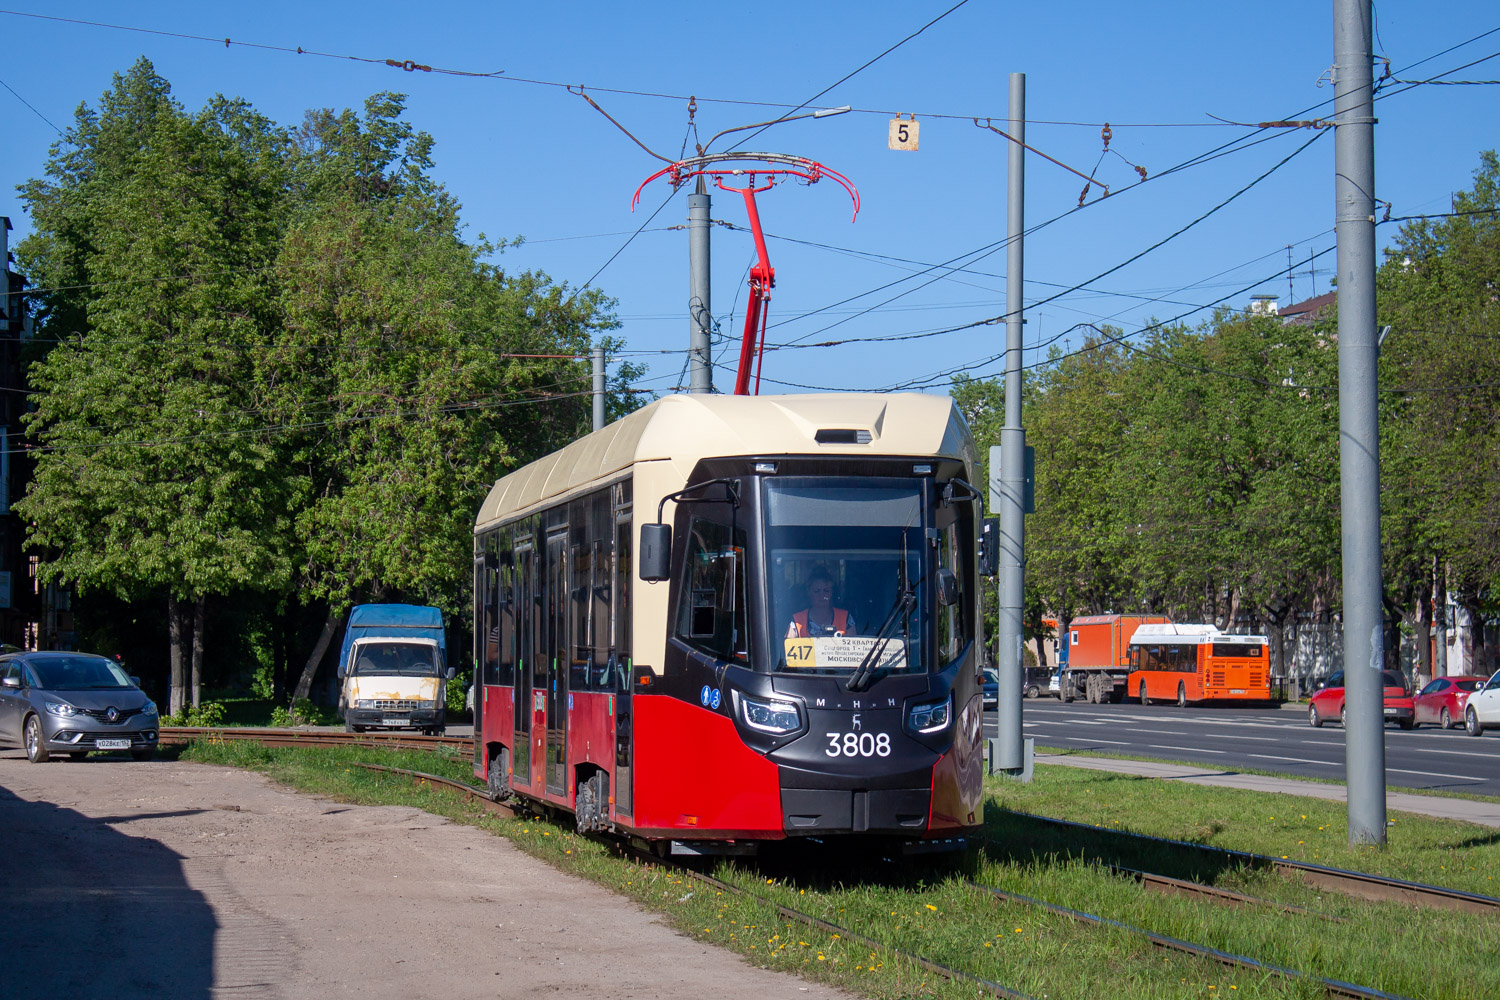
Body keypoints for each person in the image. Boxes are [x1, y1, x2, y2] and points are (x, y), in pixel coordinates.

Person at [785, 568, 858, 638]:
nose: (822, 595)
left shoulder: (846, 618)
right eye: (817, 591)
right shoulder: (797, 620)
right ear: (809, 593)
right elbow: (788, 647)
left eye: (826, 591)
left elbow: (853, 647)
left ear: (832, 593)